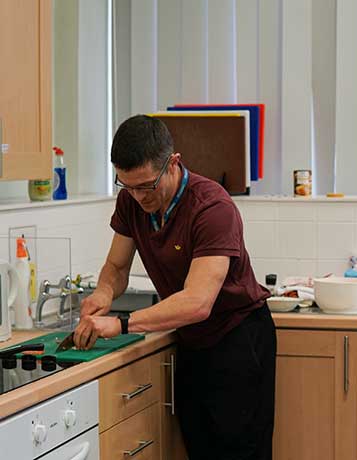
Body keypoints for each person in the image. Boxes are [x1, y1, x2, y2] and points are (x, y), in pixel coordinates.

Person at [73, 115, 276, 460]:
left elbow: (198, 302)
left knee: (240, 452)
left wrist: (122, 323)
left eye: (146, 186)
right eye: (128, 186)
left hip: (238, 340)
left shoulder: (211, 207)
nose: (138, 197)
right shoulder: (131, 203)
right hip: (192, 342)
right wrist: (103, 294)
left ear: (174, 164)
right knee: (200, 449)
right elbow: (117, 266)